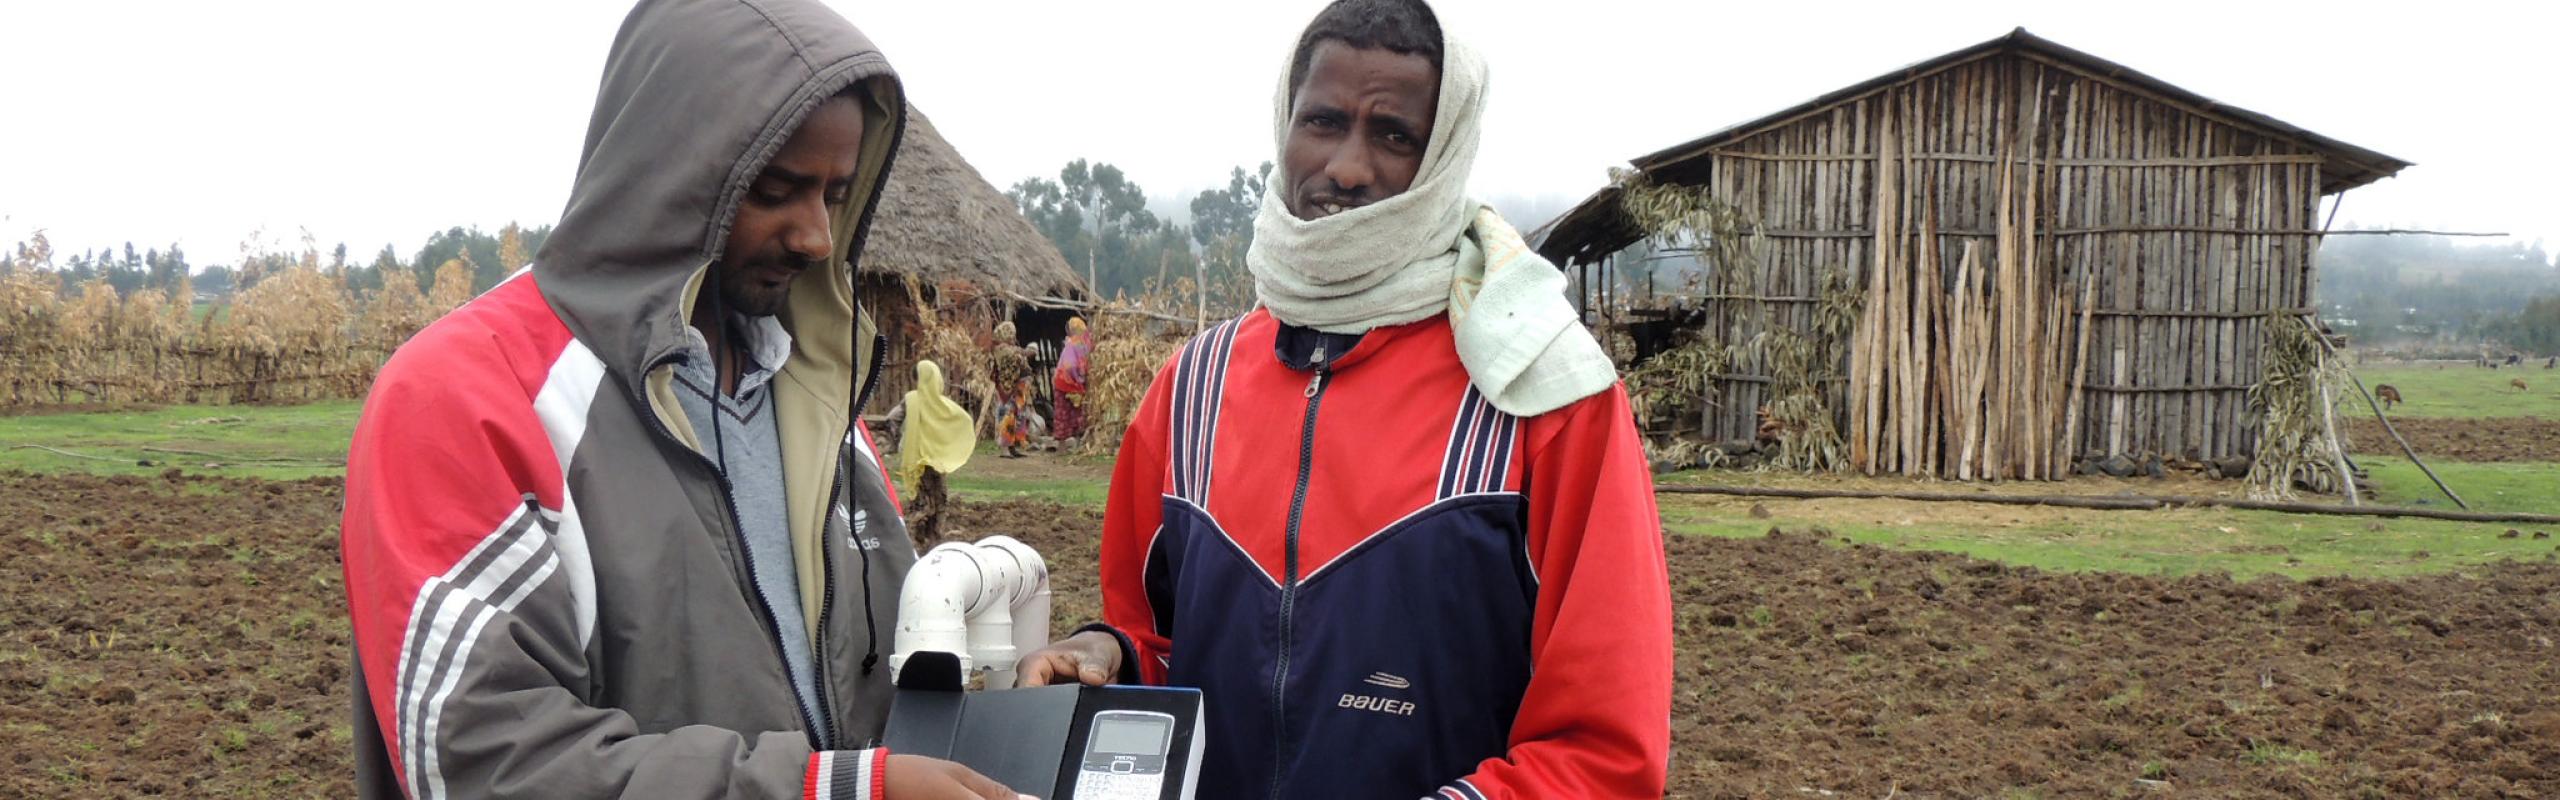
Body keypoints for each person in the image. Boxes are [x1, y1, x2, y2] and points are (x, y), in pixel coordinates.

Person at [339, 1, 1026, 798]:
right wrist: (829, 790)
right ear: (668, 175)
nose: (817, 238)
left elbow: (873, 695)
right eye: (777, 189)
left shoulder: (810, 398)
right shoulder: (468, 399)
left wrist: (1022, 695)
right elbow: (487, 760)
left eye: (835, 197)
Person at [1016, 1, 1673, 797]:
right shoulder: (1191, 391)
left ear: (1444, 155)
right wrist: (1107, 652)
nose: (1350, 166)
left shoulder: (1545, 395)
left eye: (1395, 134)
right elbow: (1156, 642)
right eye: (1323, 120)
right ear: (1282, 127)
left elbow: (1605, 750)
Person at [897, 359, 975, 548]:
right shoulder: (944, 406)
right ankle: (934, 537)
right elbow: (962, 421)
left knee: (921, 499)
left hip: (917, 461)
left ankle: (916, 535)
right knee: (939, 499)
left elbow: (893, 418)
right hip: (936, 462)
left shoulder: (910, 400)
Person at [1050, 317, 1093, 441]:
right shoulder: (1088, 343)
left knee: (1062, 413)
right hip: (1079, 385)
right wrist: (1081, 378)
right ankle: (1078, 441)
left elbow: (1069, 365)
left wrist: (1075, 377)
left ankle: (1062, 446)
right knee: (1078, 413)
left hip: (1063, 382)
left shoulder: (1071, 344)